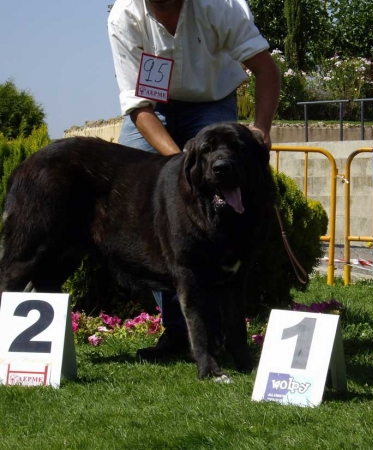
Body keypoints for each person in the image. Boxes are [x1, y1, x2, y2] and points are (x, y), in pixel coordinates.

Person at [107, 0, 281, 360]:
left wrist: (261, 130)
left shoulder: (221, 6)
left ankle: (219, 332)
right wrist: (181, 166)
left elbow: (266, 70)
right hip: (152, 110)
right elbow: (138, 106)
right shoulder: (123, 16)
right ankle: (178, 333)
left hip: (211, 103)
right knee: (137, 205)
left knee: (225, 214)